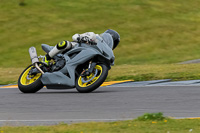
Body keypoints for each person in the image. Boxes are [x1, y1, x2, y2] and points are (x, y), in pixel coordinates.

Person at [43, 29, 120, 65]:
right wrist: (81, 37)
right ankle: (47, 58)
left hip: (87, 55)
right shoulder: (94, 36)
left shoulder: (104, 50)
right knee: (65, 43)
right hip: (75, 48)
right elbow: (75, 36)